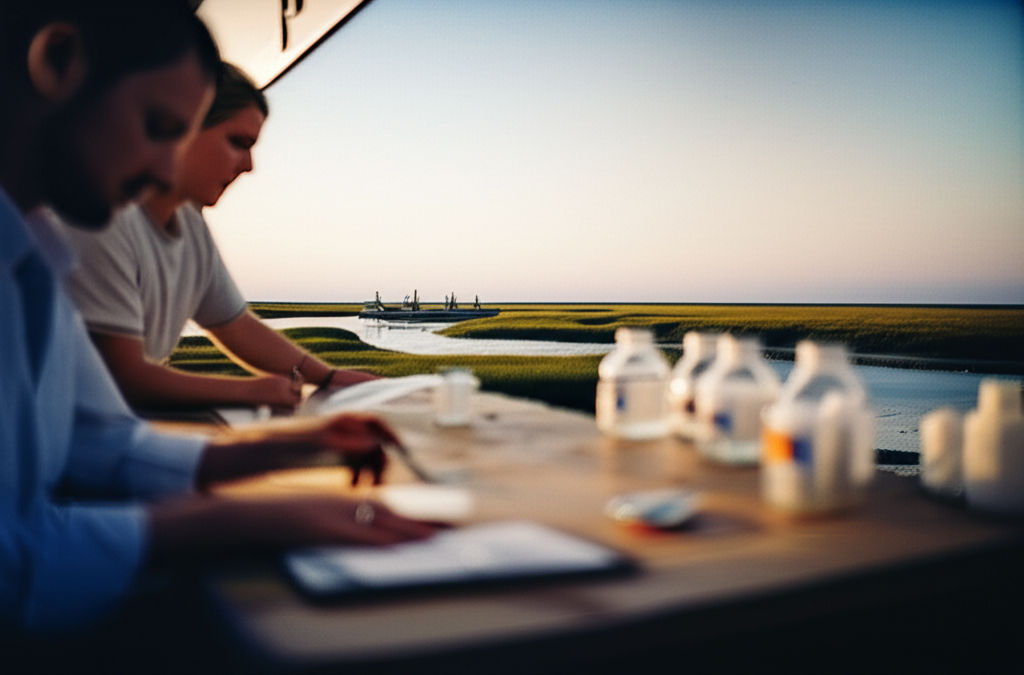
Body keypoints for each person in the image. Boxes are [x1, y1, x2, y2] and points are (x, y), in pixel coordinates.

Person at [0, 1, 434, 635]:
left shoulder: (35, 254)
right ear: (56, 61)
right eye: (158, 125)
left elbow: (107, 442)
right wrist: (252, 519)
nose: (163, 169)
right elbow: (13, 566)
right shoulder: (73, 237)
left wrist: (295, 445)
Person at [61, 62, 377, 413]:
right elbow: (123, 377)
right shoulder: (105, 220)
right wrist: (251, 391)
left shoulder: (190, 223)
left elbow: (236, 326)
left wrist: (329, 376)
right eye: (238, 142)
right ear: (182, 126)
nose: (248, 165)